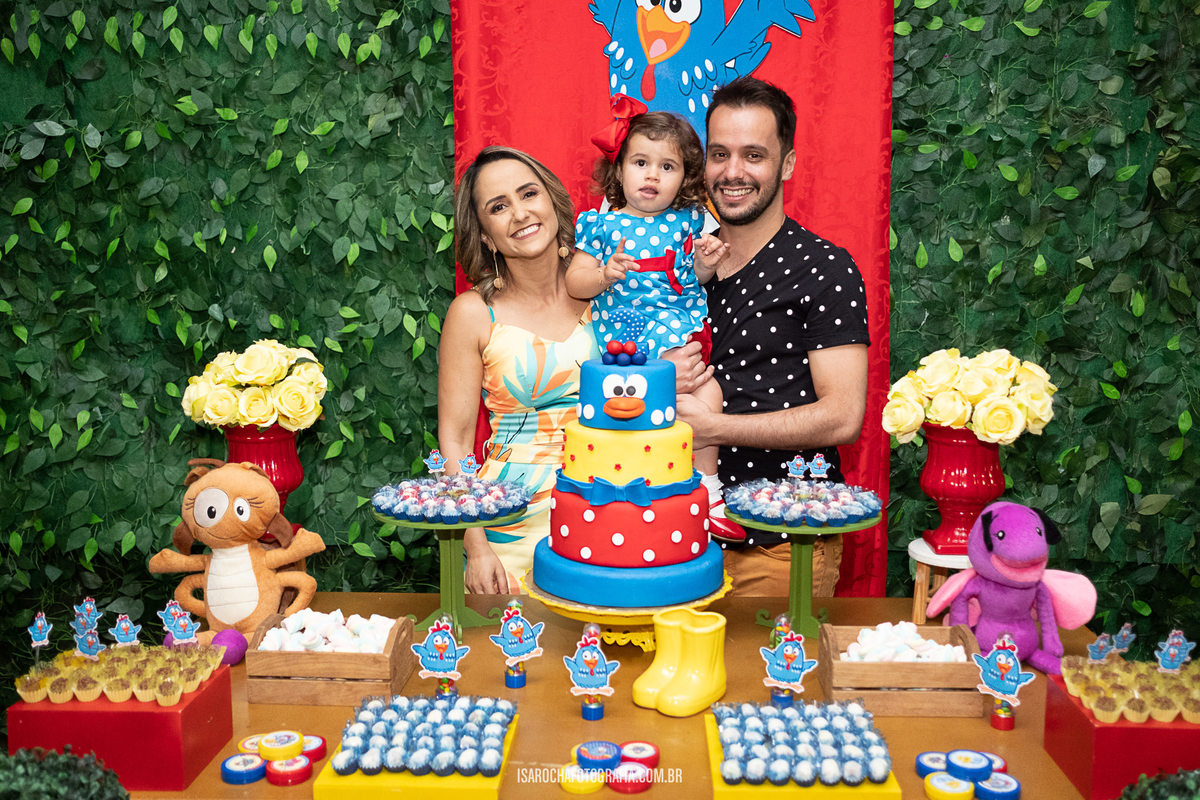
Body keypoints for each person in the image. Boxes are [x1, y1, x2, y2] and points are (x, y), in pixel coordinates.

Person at [676, 76, 871, 597]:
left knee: (780, 657)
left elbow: (843, 416)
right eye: (720, 154)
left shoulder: (824, 268)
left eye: (754, 155)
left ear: (786, 164)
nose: (732, 172)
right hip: (675, 540)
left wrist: (714, 428)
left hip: (783, 544)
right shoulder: (677, 264)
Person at [565, 97, 740, 537]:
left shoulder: (689, 220)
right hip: (625, 337)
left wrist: (706, 262)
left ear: (685, 178)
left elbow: (695, 277)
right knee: (652, 409)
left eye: (668, 167)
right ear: (619, 169)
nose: (652, 176)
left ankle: (708, 486)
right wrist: (604, 274)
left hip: (678, 328)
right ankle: (648, 485)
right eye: (640, 162)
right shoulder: (601, 225)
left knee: (710, 392)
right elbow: (574, 282)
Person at [440, 146, 600, 594]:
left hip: (609, 506)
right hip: (507, 527)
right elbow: (455, 441)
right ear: (486, 236)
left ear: (552, 201)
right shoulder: (472, 313)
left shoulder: (606, 288)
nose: (519, 213)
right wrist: (475, 546)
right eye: (498, 207)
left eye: (528, 194)